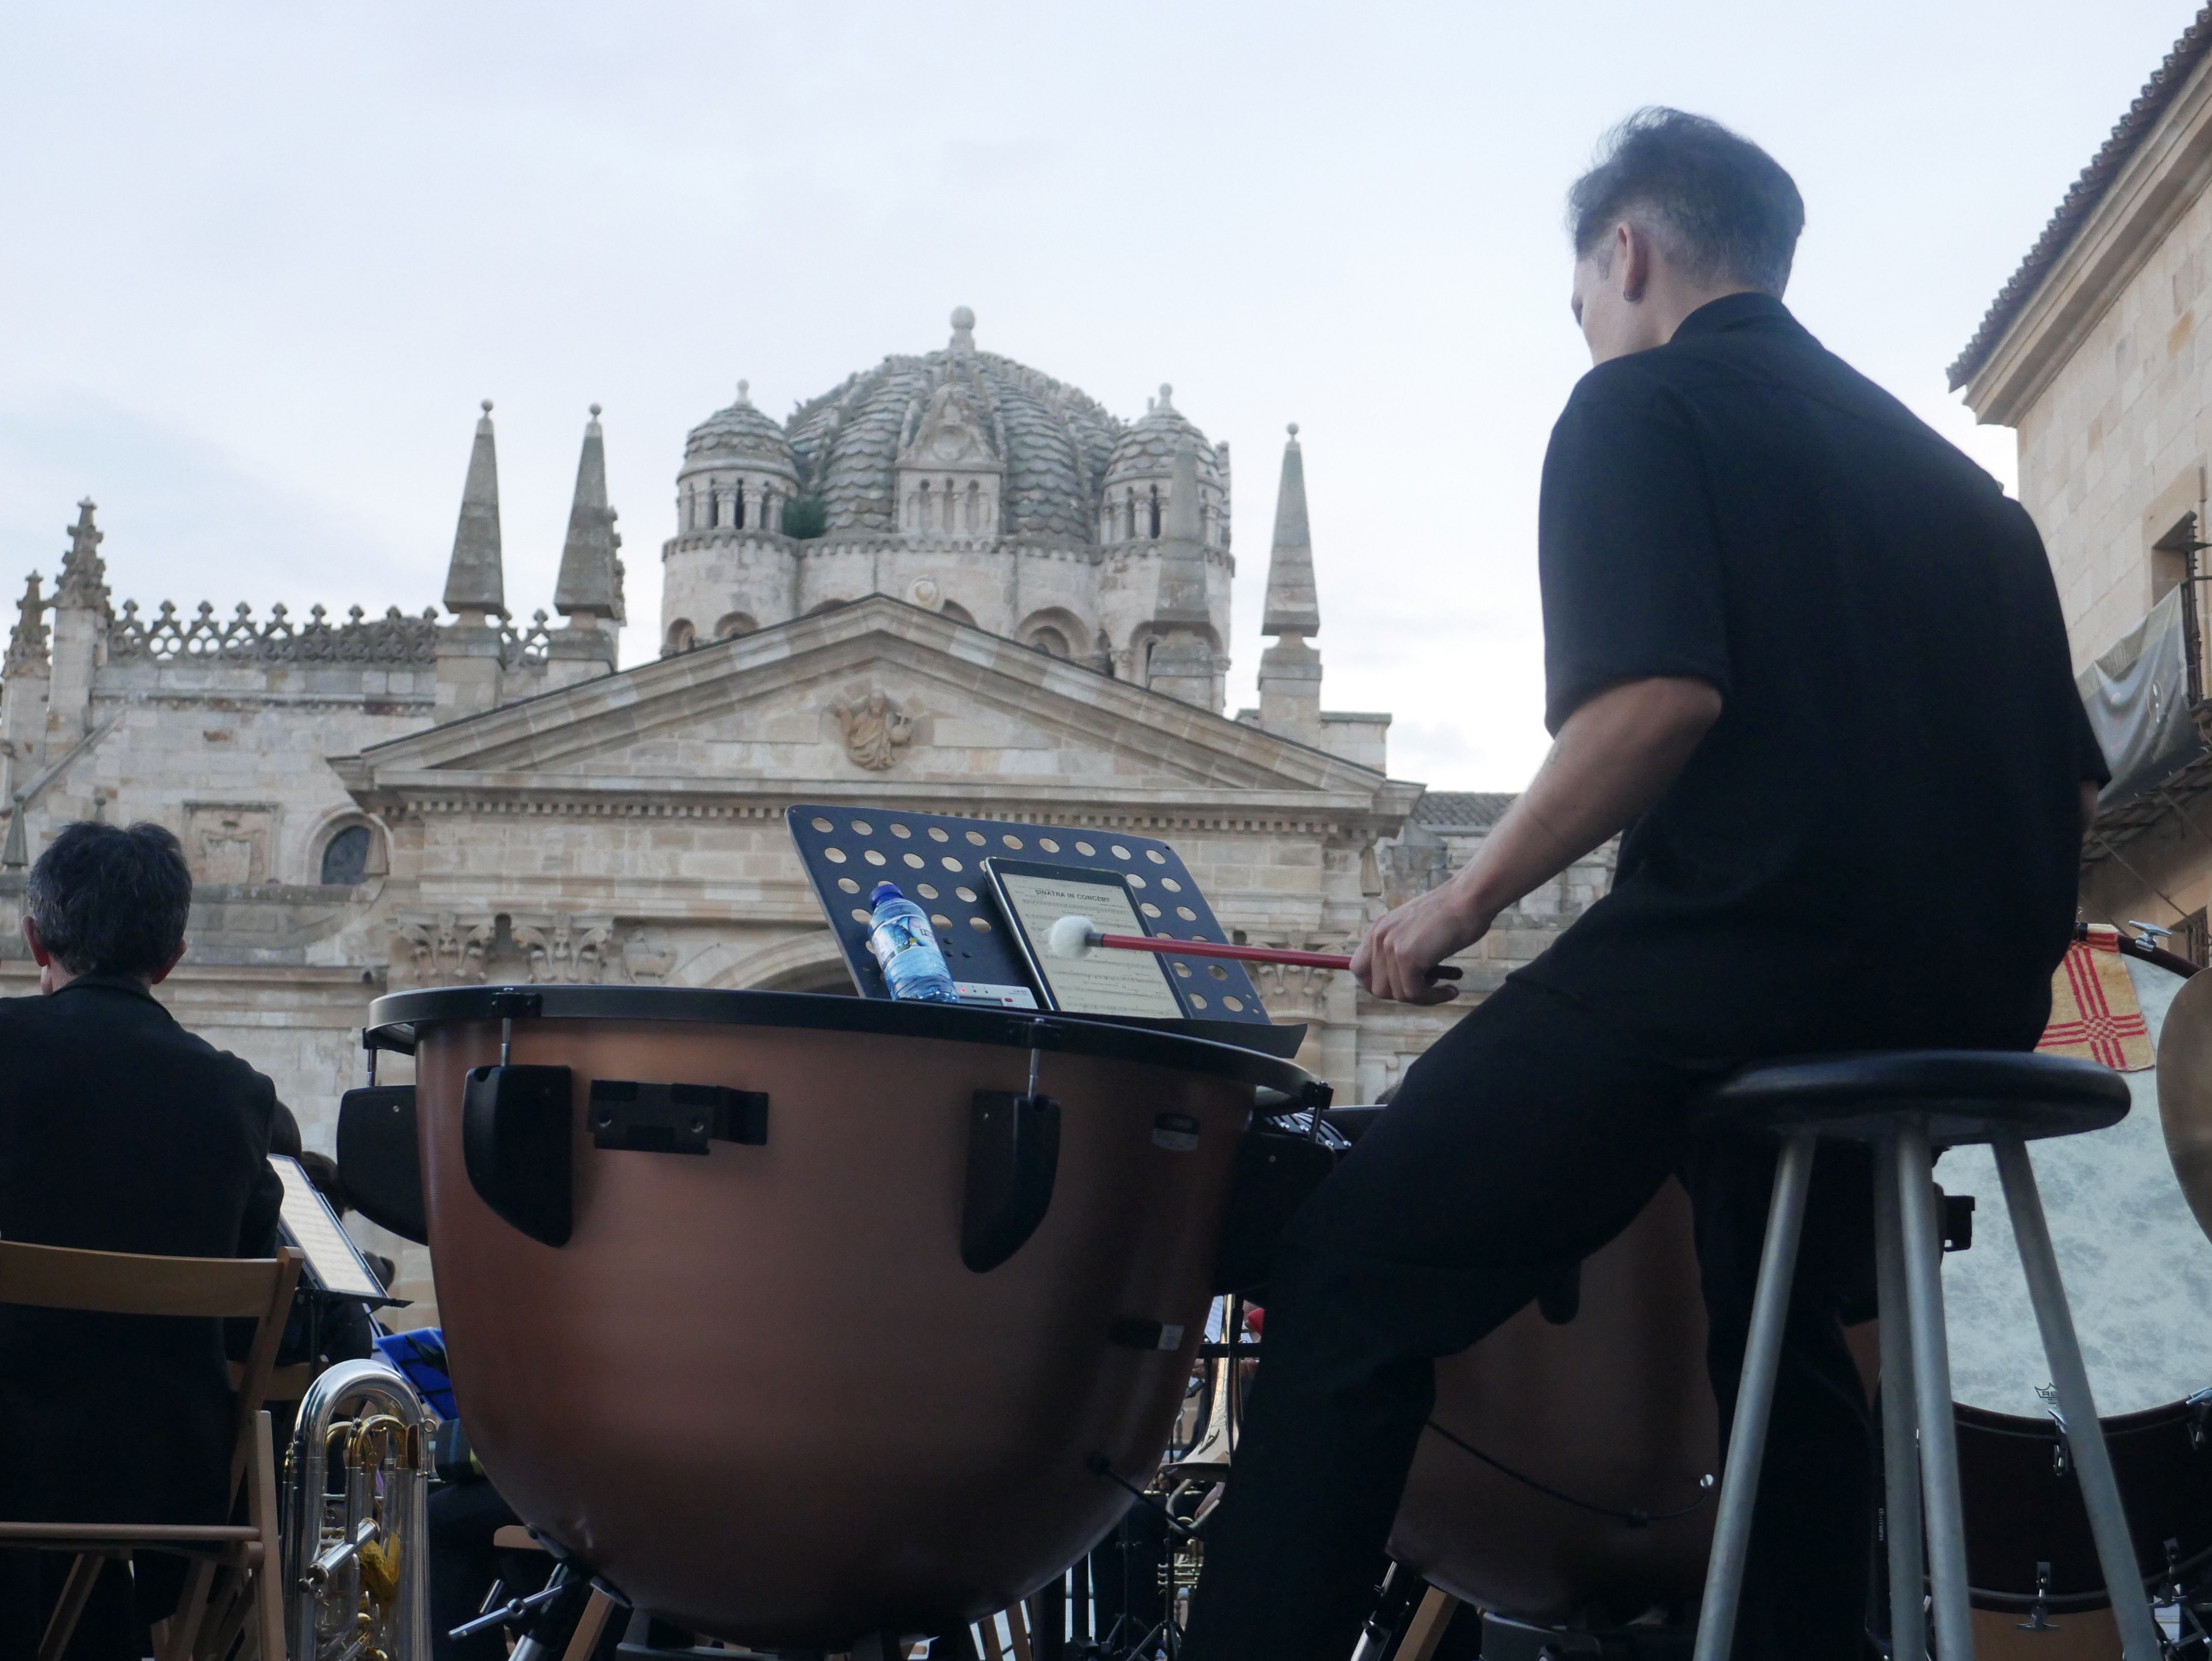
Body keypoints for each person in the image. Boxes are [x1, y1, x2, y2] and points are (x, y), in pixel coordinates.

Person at [1180, 109, 2106, 1661]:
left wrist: (1451, 907)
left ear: (1628, 251)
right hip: (1966, 1013)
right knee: (1785, 1343)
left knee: (1343, 1273)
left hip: (1740, 972)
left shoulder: (1639, 408)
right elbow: (2071, 781)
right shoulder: (1972, 503)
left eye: (1585, 302)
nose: (1592, 332)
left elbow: (1655, 703)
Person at [0, 822, 285, 1661]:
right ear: (173, 958)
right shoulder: (237, 1093)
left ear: (34, 938)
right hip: (164, 1486)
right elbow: (242, 1326)